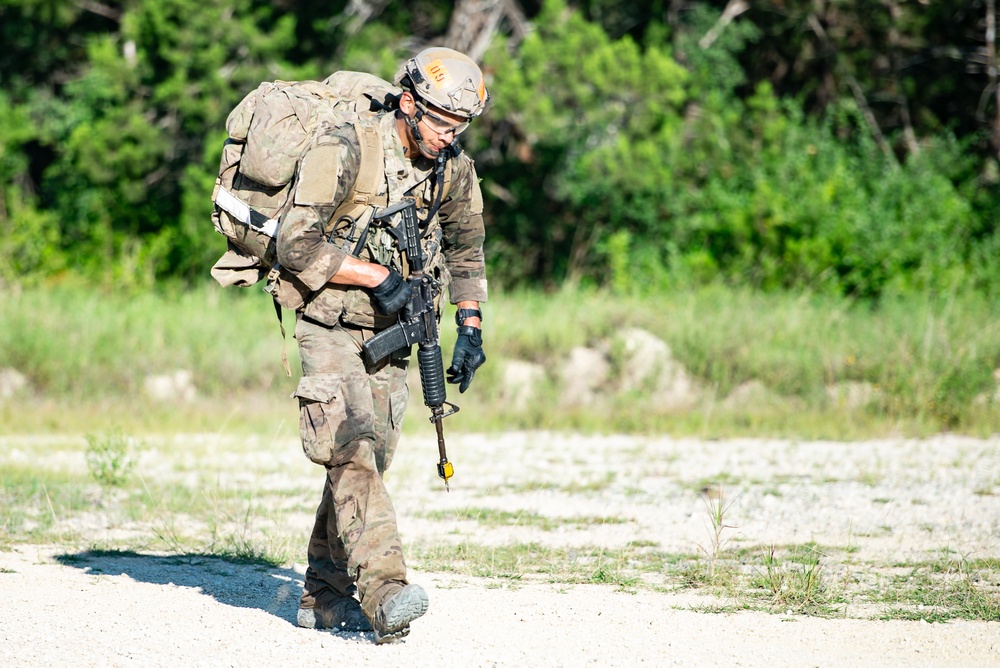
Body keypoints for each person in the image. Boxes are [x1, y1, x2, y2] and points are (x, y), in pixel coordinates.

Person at [275, 47, 490, 644]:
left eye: (460, 128)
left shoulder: (452, 169)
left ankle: (322, 596)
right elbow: (294, 245)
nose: (448, 138)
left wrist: (469, 324)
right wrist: (375, 276)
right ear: (408, 101)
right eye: (441, 123)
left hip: (397, 331)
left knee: (369, 460)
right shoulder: (348, 148)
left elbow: (466, 250)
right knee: (351, 449)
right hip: (332, 321)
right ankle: (386, 589)